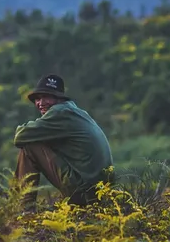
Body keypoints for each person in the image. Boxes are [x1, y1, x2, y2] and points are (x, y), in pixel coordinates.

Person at [13, 73, 113, 206]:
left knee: (29, 146)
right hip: (102, 194)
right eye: (37, 99)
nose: (41, 103)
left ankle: (23, 207)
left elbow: (20, 136)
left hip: (84, 194)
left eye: (46, 97)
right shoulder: (76, 112)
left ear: (59, 98)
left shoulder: (59, 113)